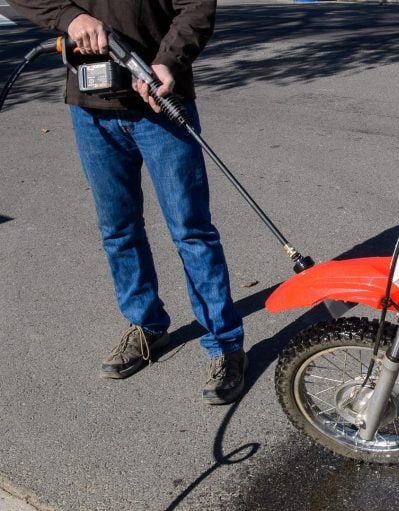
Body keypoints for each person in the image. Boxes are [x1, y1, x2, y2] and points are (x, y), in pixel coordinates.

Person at [8, 0, 247, 405]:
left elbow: (197, 7)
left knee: (191, 230)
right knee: (118, 229)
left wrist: (168, 61)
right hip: (92, 110)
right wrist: (71, 18)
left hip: (160, 101)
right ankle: (147, 325)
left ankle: (225, 344)